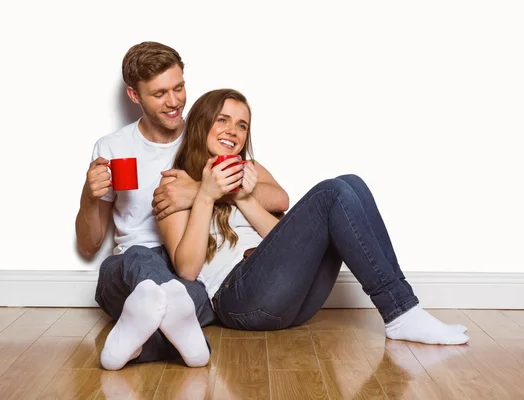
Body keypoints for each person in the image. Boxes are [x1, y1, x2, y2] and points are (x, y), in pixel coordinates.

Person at [157, 88, 470, 345]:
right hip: (238, 300)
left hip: (293, 302)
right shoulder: (175, 183)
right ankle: (402, 313)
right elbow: (186, 270)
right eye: (223, 119)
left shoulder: (252, 170)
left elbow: (282, 237)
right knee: (332, 192)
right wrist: (205, 195)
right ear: (201, 123)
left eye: (242, 125)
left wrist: (243, 197)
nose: (233, 131)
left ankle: (404, 309)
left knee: (351, 183)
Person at [75, 43, 289, 370]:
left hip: (191, 265)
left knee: (195, 299)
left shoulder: (207, 132)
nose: (174, 102)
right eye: (160, 93)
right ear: (135, 96)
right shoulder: (113, 147)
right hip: (133, 262)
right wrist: (90, 198)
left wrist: (200, 192)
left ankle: (134, 345)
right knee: (143, 266)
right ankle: (173, 321)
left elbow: (271, 194)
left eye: (179, 87)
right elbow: (90, 245)